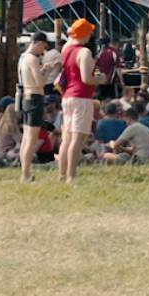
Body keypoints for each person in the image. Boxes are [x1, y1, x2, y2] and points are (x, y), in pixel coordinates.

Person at [56, 18, 103, 184]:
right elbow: (86, 78)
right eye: (89, 32)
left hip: (67, 96)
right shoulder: (84, 52)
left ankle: (62, 175)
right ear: (85, 33)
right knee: (77, 138)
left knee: (67, 138)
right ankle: (71, 176)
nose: (91, 35)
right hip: (81, 97)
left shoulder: (66, 49)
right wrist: (100, 79)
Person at [17, 31, 52, 184]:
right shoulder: (32, 59)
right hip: (34, 97)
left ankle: (25, 172)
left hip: (26, 97)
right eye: (43, 46)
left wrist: (42, 69)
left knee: (26, 138)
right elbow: (40, 82)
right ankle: (25, 174)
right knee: (31, 139)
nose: (43, 50)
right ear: (38, 43)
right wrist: (45, 71)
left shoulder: (23, 57)